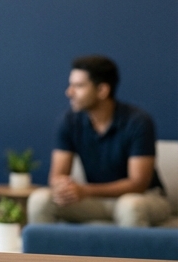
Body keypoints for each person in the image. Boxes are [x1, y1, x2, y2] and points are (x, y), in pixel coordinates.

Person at [28, 55, 170, 227]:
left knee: (130, 206)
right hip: (96, 200)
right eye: (70, 85)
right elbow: (57, 175)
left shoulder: (138, 122)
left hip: (145, 198)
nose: (69, 92)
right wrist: (62, 187)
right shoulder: (69, 121)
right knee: (40, 200)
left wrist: (84, 190)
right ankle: (44, 255)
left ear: (102, 90)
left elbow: (137, 184)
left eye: (78, 86)